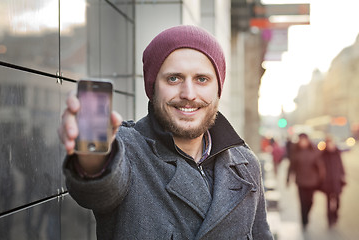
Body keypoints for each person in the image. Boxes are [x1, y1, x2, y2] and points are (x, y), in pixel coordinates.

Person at [58, 25, 273, 239]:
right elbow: (99, 189)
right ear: (152, 88)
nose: (188, 94)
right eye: (174, 78)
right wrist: (92, 157)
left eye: (201, 79)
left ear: (218, 88)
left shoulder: (245, 164)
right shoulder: (127, 150)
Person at [286, 133, 325, 229]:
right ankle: (304, 220)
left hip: (312, 181)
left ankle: (306, 215)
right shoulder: (295, 152)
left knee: (310, 201)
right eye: (301, 140)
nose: (303, 142)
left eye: (304, 140)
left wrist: (321, 178)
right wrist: (288, 178)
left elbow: (320, 166)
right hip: (301, 181)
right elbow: (291, 167)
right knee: (303, 202)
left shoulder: (314, 151)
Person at [321, 136, 346, 228]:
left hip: (337, 181)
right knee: (328, 201)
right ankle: (329, 218)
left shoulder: (337, 153)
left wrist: (343, 175)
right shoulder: (323, 155)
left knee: (338, 201)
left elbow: (341, 165)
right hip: (327, 182)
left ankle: (335, 214)